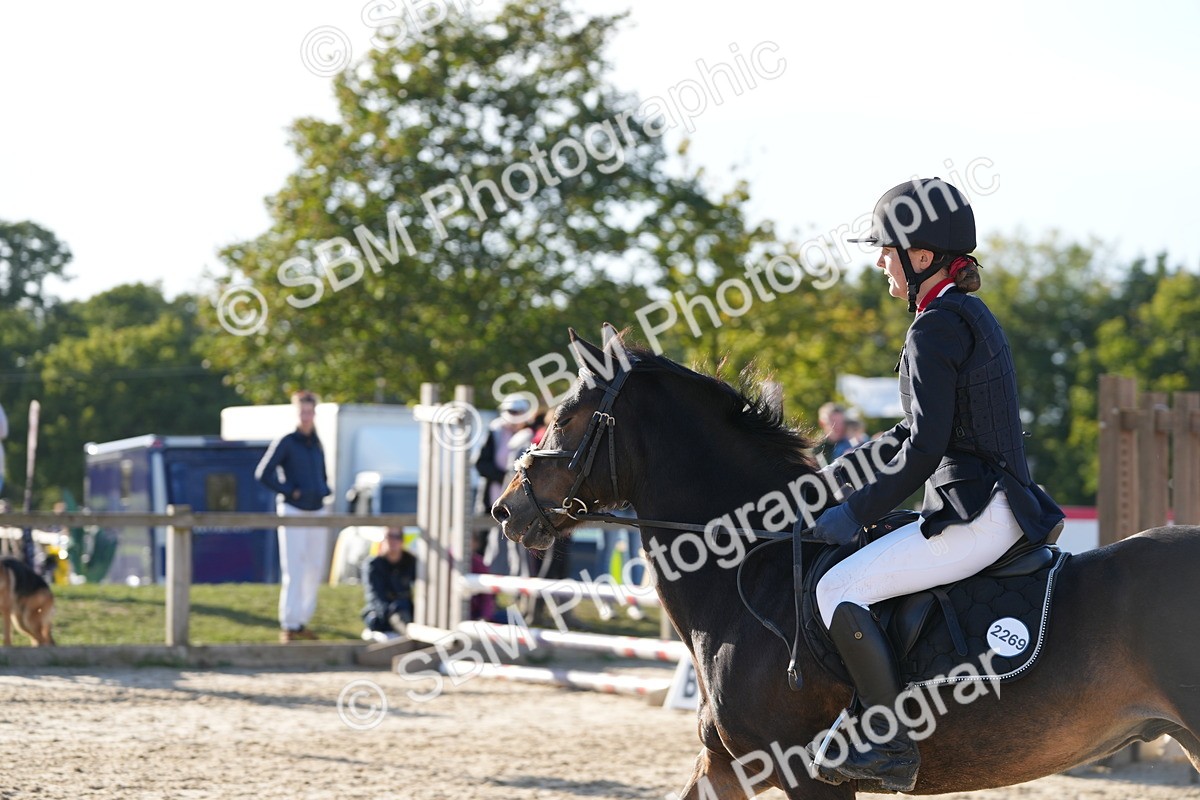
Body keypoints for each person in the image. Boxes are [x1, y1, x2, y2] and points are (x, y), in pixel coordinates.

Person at [806, 178, 1064, 791]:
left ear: (921, 257)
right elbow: (913, 430)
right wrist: (835, 480)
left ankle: (887, 741)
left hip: (976, 513)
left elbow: (925, 446)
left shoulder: (934, 328)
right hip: (995, 501)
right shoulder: (958, 313)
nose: (879, 262)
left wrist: (856, 511)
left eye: (886, 250)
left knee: (838, 588)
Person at [256, 390, 333, 643]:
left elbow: (321, 472)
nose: (307, 416)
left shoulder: (317, 442)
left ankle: (302, 621)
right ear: (297, 412)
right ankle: (289, 623)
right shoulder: (287, 441)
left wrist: (324, 489)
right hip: (293, 510)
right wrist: (291, 492)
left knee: (314, 567)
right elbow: (264, 473)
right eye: (303, 411)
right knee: (295, 567)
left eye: (310, 411)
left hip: (317, 509)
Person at [475, 394, 534, 576]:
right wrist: (507, 478)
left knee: (521, 552)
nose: (515, 416)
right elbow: (481, 464)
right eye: (512, 411)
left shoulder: (532, 435)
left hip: (522, 506)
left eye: (519, 412)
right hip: (492, 503)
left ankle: (520, 596)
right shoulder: (495, 432)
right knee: (487, 549)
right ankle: (485, 597)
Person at [361, 528, 416, 639]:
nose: (393, 541)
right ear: (382, 540)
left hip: (406, 610)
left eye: (397, 537)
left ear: (402, 541)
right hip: (381, 613)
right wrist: (390, 611)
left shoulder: (411, 561)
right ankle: (408, 637)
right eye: (389, 537)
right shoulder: (373, 565)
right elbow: (374, 596)